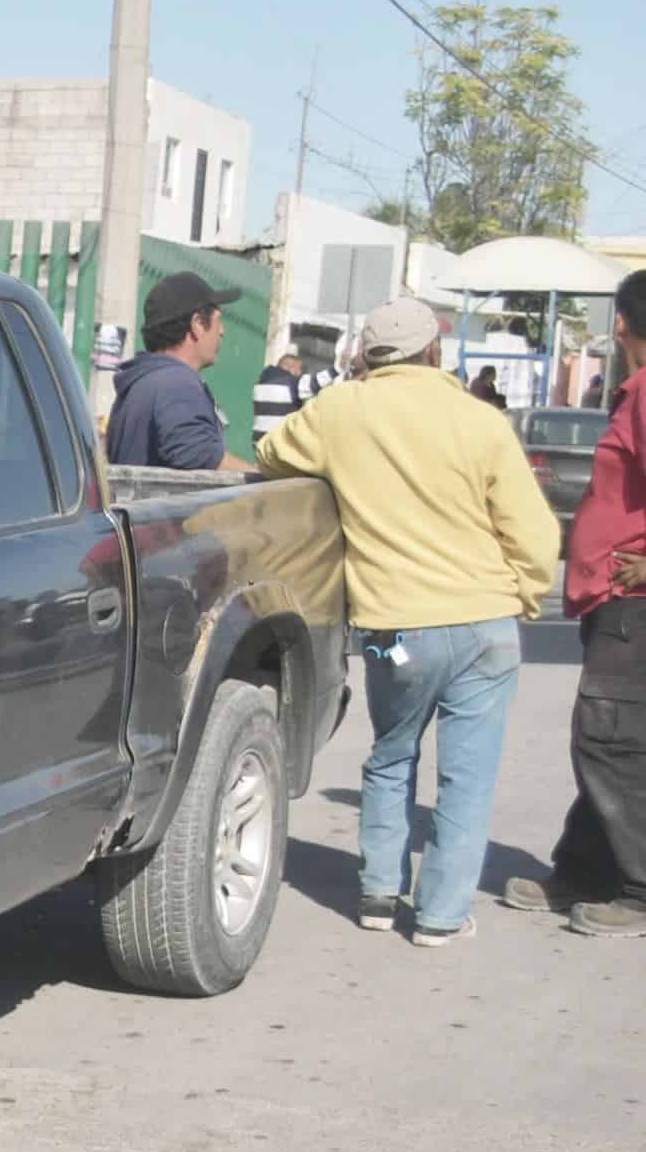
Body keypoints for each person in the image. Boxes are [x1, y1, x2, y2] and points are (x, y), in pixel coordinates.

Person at [254, 295, 562, 945]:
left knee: (392, 752)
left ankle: (376, 894)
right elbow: (533, 536)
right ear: (436, 352)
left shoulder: (341, 410)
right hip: (486, 631)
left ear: (366, 355)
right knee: (467, 776)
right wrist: (525, 596)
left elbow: (275, 453)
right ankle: (442, 916)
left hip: (395, 634)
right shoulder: (480, 422)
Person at [507, 267, 646, 935]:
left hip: (634, 600)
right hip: (615, 598)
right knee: (615, 737)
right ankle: (585, 870)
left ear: (621, 325)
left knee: (609, 737)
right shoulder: (634, 392)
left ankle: (639, 888)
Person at [107, 270, 249, 472]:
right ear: (198, 324)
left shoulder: (143, 381)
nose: (222, 331)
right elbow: (201, 456)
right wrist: (267, 482)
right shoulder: (177, 383)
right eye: (218, 320)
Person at [254, 348, 308, 430]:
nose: (300, 373)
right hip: (277, 437)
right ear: (289, 367)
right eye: (299, 368)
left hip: (260, 436)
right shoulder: (288, 385)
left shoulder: (263, 382)